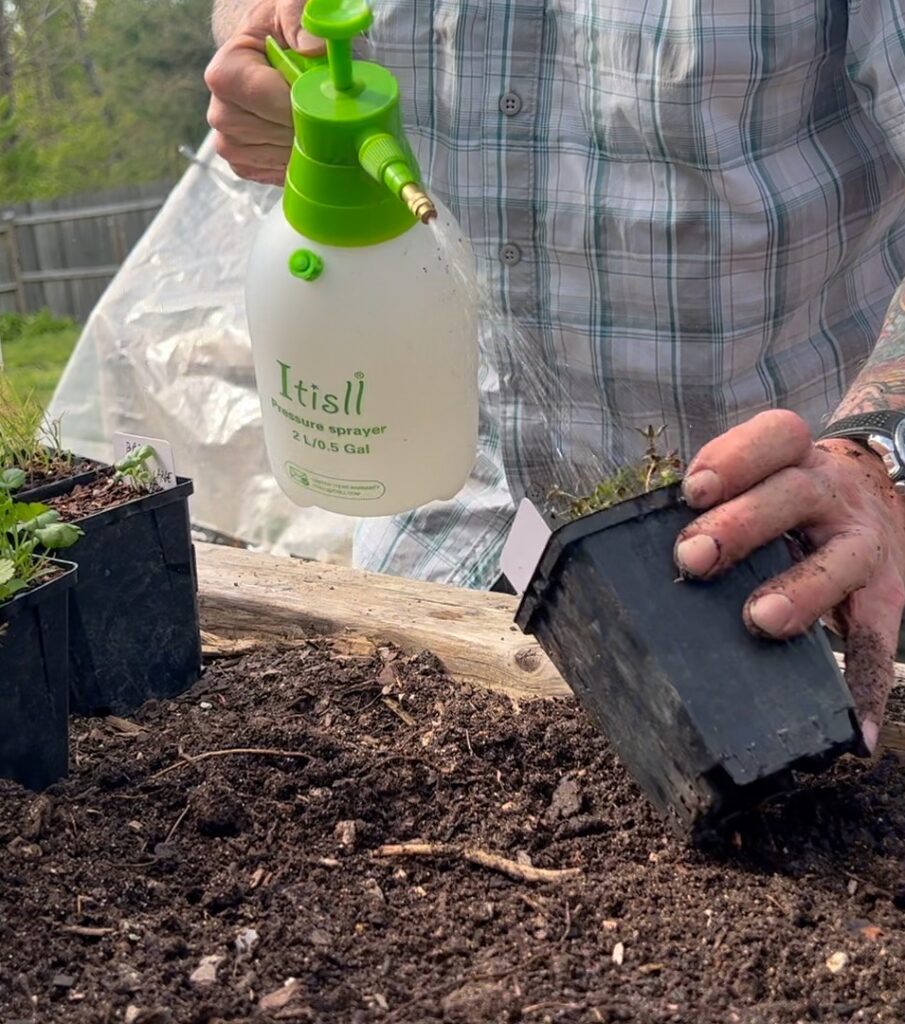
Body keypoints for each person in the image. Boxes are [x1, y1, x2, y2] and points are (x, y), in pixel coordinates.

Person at [205, 0, 905, 751]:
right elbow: (259, 23)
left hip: (780, 544)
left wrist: (875, 455)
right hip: (444, 537)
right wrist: (256, 43)